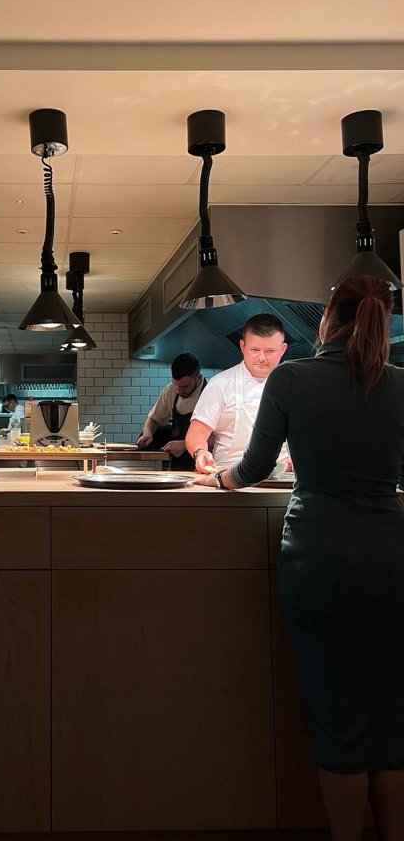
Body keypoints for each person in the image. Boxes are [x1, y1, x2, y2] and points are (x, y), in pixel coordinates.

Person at [194, 276, 404, 841]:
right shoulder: (399, 385)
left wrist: (224, 480)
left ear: (327, 320)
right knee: (391, 718)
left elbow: (254, 468)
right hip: (392, 558)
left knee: (337, 715)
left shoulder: (293, 378)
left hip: (321, 559)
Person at [185, 313, 288, 472]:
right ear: (242, 346)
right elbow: (196, 432)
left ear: (282, 350)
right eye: (254, 350)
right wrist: (200, 452)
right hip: (228, 478)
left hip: (280, 481)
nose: (261, 358)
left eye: (270, 351)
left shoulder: (293, 386)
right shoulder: (220, 384)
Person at [136, 352, 207, 470]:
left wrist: (185, 444)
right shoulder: (171, 390)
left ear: (198, 378)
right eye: (176, 385)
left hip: (202, 464)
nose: (179, 391)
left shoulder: (210, 392)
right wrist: (147, 433)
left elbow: (218, 437)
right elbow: (153, 419)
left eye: (184, 387)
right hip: (176, 464)